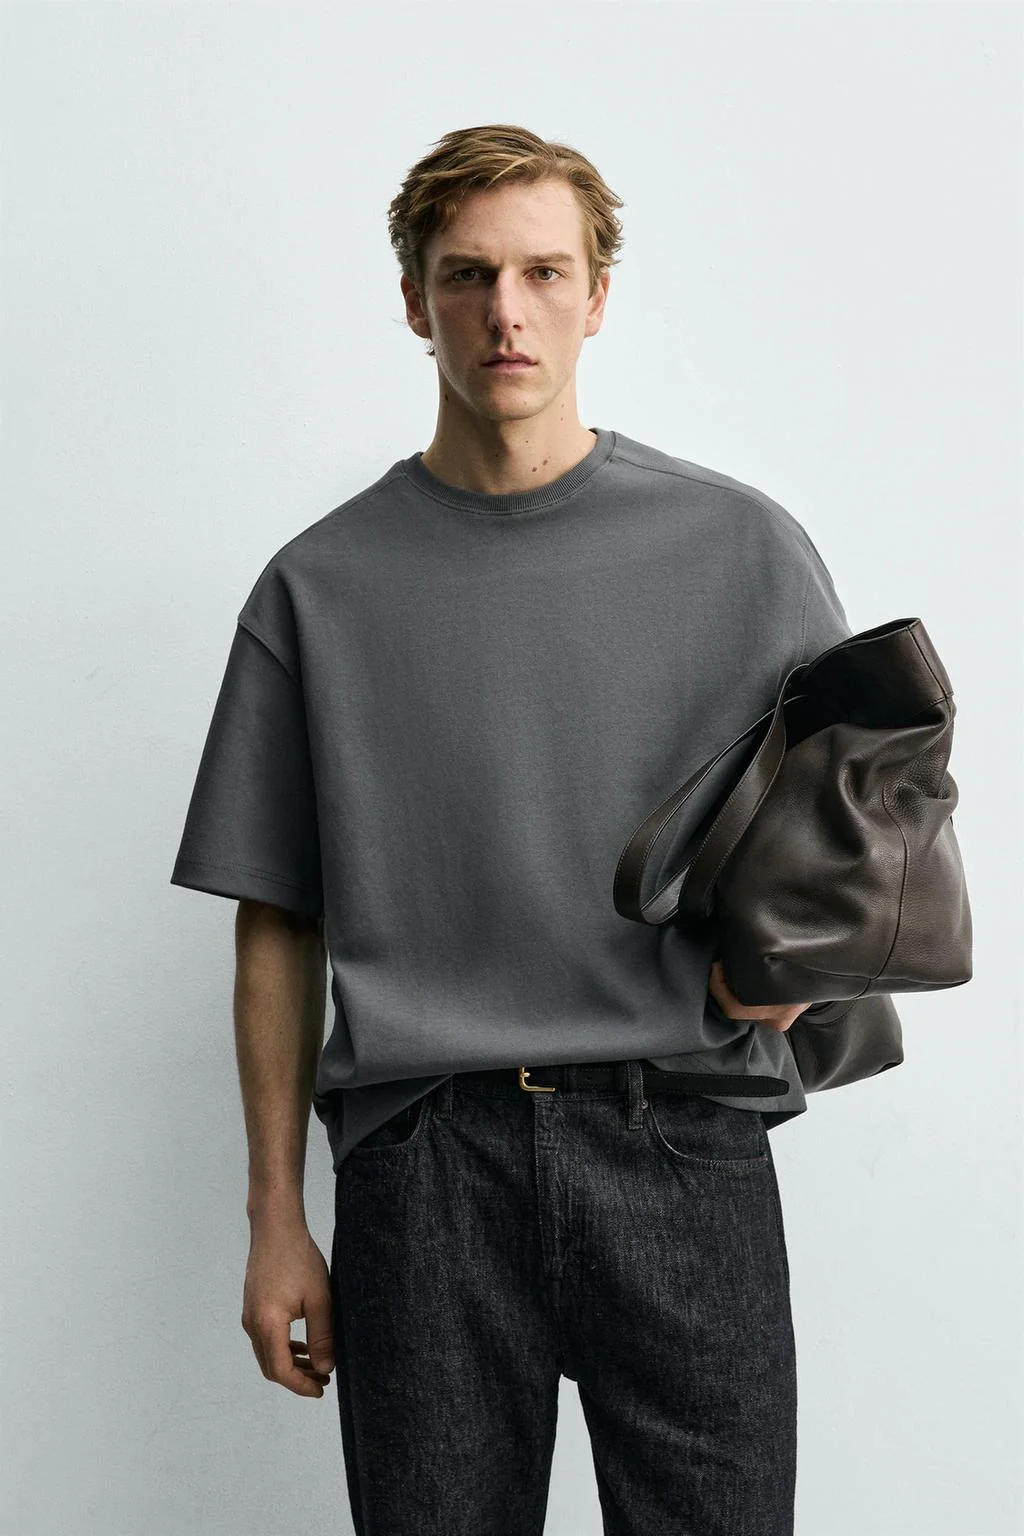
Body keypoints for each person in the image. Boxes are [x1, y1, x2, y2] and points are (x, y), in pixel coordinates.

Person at [170, 123, 852, 1536]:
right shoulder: (318, 588)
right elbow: (277, 919)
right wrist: (276, 1218)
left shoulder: (742, 552)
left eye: (544, 272)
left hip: (681, 1141)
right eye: (467, 274)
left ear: (598, 295)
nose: (507, 312)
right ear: (413, 301)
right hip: (426, 1167)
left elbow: (859, 827)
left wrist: (796, 965)